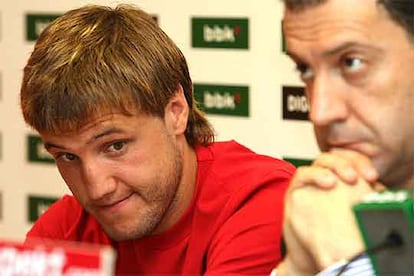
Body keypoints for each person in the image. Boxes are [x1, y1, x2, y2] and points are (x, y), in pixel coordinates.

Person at [20, 4, 296, 275]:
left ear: (176, 112)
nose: (96, 189)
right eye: (68, 156)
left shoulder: (258, 202)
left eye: (115, 146)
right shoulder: (64, 233)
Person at [274, 0, 414, 275]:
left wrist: (354, 265)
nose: (319, 111)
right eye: (305, 69)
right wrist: (296, 269)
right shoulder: (326, 209)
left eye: (351, 62)